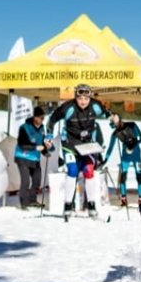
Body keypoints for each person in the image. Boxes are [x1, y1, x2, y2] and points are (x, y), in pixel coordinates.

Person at [48, 83, 112, 220]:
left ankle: (92, 206)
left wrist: (114, 118)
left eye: (86, 99)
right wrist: (48, 136)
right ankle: (67, 205)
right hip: (70, 144)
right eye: (80, 98)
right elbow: (51, 120)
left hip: (87, 145)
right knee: (72, 171)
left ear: (90, 98)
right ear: (76, 98)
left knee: (89, 171)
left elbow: (107, 113)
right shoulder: (68, 108)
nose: (83, 102)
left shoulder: (95, 105)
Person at [105, 113, 141, 214]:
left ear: (119, 118)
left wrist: (133, 144)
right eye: (113, 123)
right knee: (123, 178)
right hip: (125, 155)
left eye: (115, 120)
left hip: (136, 154)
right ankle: (124, 200)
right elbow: (110, 149)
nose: (115, 125)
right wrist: (105, 160)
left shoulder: (132, 125)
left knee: (139, 177)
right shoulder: (115, 133)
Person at [14, 106, 51, 209]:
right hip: (22, 157)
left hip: (35, 159)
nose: (42, 120)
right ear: (35, 117)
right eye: (40, 118)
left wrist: (45, 151)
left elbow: (42, 144)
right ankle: (23, 203)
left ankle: (32, 201)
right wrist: (35, 147)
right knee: (25, 181)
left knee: (37, 180)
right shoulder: (24, 127)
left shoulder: (43, 129)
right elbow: (22, 144)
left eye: (43, 118)